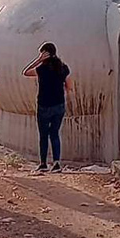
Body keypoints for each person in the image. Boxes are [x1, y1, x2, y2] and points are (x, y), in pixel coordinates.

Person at [23, 42, 71, 173]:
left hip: (44, 105)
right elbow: (69, 86)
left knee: (43, 135)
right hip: (59, 105)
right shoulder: (63, 68)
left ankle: (43, 163)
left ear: (44, 54)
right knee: (55, 134)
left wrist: (38, 61)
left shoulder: (41, 69)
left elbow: (25, 72)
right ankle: (56, 162)